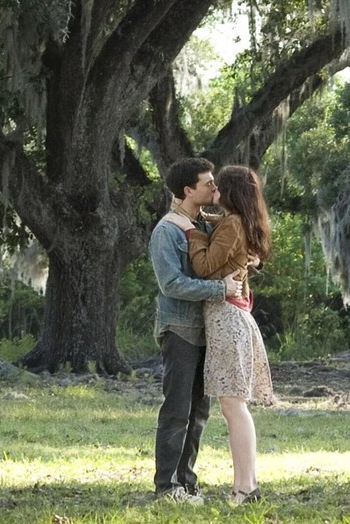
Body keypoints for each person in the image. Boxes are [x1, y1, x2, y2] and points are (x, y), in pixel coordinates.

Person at [164, 165, 274, 505]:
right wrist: (203, 222)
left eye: (217, 187)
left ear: (228, 193)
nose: (213, 191)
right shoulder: (237, 221)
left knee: (233, 406)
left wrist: (192, 233)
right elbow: (226, 239)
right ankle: (246, 484)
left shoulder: (232, 223)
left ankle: (245, 487)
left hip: (226, 319)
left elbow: (204, 266)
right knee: (234, 406)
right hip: (231, 317)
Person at [149, 157, 243, 505]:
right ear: (188, 190)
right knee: (177, 409)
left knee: (199, 411)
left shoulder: (202, 223)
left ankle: (187, 483)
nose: (214, 188)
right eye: (208, 184)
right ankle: (166, 488)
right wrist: (221, 290)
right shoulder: (167, 231)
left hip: (207, 331)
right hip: (180, 330)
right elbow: (171, 283)